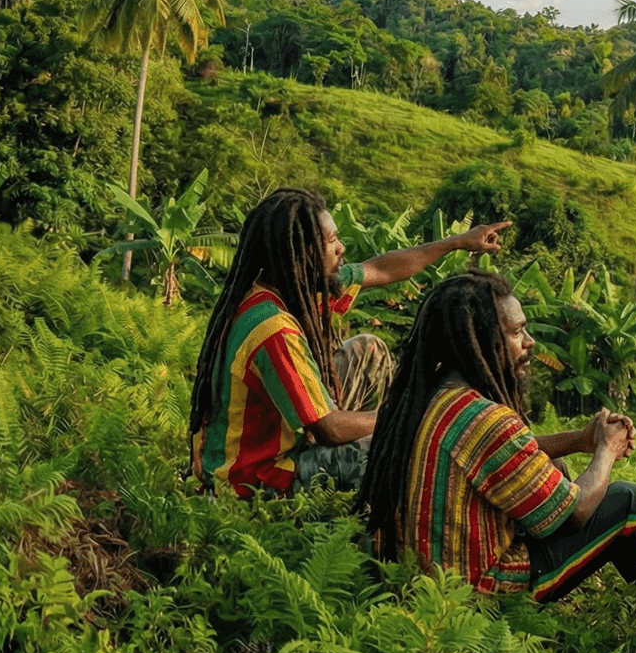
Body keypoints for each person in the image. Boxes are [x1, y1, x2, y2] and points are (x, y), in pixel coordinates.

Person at [358, 270, 636, 600]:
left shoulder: (427, 398)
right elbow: (578, 512)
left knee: (553, 463)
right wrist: (606, 450)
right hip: (476, 588)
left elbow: (510, 453)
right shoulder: (483, 418)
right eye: (517, 332)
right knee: (629, 502)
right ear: (483, 340)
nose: (530, 341)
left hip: (415, 573)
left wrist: (579, 440)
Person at [187, 187, 511, 497]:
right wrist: (406, 413)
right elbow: (330, 429)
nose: (341, 247)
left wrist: (458, 242)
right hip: (255, 478)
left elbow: (381, 269)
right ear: (301, 253)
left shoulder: (291, 288)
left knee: (368, 350)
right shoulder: (273, 330)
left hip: (278, 436)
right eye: (330, 241)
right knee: (393, 444)